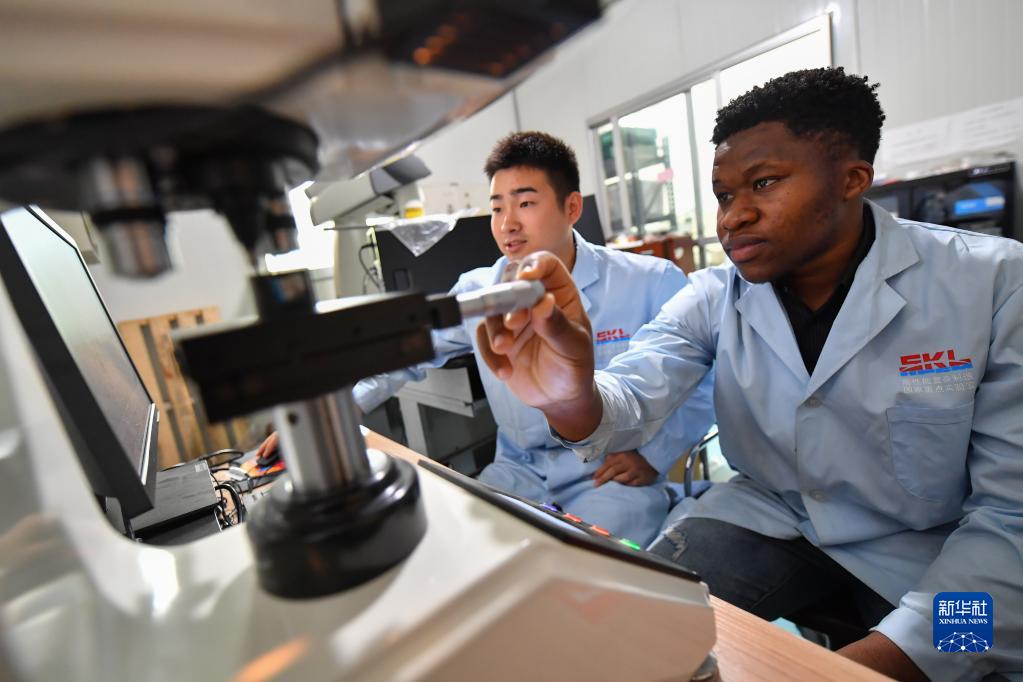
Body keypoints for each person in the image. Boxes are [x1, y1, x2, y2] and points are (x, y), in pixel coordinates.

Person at [477, 68, 1022, 681]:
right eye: (723, 195)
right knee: (636, 626)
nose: (732, 218)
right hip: (771, 513)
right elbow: (630, 394)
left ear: (852, 179)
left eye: (763, 184)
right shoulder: (714, 296)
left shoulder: (992, 284)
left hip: (932, 543)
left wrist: (854, 671)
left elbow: (1014, 526)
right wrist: (568, 393)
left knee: (970, 648)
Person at [258, 132, 715, 547]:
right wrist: (334, 413)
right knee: (473, 553)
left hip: (606, 474)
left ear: (572, 207)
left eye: (525, 203)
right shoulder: (479, 290)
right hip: (516, 472)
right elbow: (407, 350)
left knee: (597, 565)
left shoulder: (648, 281)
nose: (507, 223)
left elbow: (709, 379)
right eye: (497, 208)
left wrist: (655, 456)